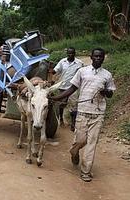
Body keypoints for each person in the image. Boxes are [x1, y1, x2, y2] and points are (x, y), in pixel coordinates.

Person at [50, 48, 116, 182]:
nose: (98, 58)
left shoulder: (107, 75)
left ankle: (86, 171)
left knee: (92, 142)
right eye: (96, 56)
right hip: (83, 111)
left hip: (98, 113)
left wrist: (105, 92)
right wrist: (56, 98)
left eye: (100, 57)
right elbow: (72, 88)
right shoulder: (82, 72)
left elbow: (111, 93)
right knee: (80, 140)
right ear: (91, 57)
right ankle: (74, 152)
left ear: (103, 58)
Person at [52, 47, 84, 130]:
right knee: (61, 104)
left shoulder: (79, 63)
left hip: (73, 88)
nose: (71, 55)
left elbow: (82, 74)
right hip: (62, 86)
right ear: (67, 54)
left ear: (75, 53)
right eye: (69, 53)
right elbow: (55, 70)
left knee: (74, 105)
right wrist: (49, 71)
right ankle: (61, 119)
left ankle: (73, 123)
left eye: (72, 53)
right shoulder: (62, 62)